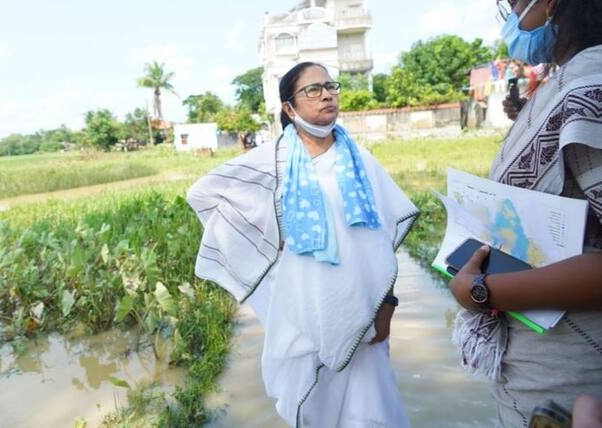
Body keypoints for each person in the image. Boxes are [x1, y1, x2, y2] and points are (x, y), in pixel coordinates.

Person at [186, 62, 418, 427]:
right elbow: (202, 193)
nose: (327, 94)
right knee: (317, 407)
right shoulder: (272, 163)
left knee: (372, 405)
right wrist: (265, 245)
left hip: (364, 310)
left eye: (330, 86)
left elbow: (380, 241)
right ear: (289, 108)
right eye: (312, 89)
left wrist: (387, 303)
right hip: (303, 308)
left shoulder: (362, 163)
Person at [448, 1, 602, 427]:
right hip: (537, 390)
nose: (512, 14)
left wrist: (482, 292)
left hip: (578, 395)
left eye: (514, 2)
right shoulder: (566, 78)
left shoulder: (590, 82)